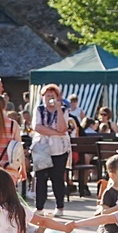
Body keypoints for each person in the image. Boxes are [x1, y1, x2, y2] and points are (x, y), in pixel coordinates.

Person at [29, 84, 72, 212]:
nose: (50, 98)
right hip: (42, 148)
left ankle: (60, 206)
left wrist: (58, 110)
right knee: (40, 178)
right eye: (47, 96)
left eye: (52, 96)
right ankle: (39, 207)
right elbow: (38, 127)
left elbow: (62, 128)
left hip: (59, 149)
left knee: (57, 178)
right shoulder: (39, 110)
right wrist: (56, 133)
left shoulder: (64, 110)